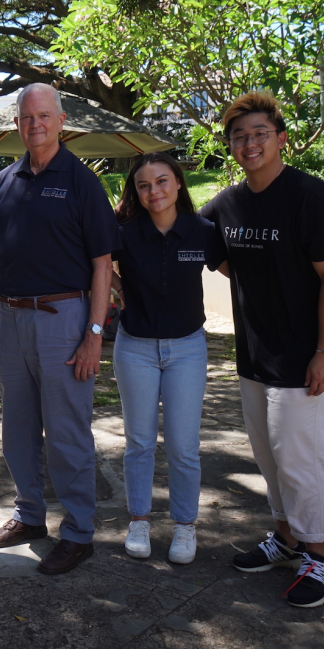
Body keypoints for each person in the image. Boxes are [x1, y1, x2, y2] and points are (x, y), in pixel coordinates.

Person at [200, 91, 324, 608]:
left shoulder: (311, 197)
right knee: (267, 456)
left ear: (281, 139)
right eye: (239, 136)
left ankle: (320, 557)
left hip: (303, 357)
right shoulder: (225, 204)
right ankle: (286, 540)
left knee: (300, 459)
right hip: (254, 356)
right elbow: (200, 247)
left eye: (260, 133)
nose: (249, 143)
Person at [0, 83, 117, 575]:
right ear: (16, 124)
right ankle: (29, 515)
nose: (33, 124)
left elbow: (102, 264)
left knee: (67, 433)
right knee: (17, 430)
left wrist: (94, 333)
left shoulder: (81, 182)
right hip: (10, 320)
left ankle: (79, 532)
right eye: (25, 117)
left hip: (65, 320)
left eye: (43, 116)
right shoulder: (3, 182)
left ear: (61, 121)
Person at [110, 152, 225, 565]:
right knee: (139, 443)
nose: (153, 190)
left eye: (161, 181)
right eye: (143, 185)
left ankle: (184, 526)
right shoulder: (124, 232)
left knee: (183, 446)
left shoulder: (204, 231)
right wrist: (119, 287)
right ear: (136, 193)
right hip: (135, 346)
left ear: (178, 183)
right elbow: (96, 262)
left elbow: (239, 272)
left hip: (187, 348)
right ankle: (138, 520)